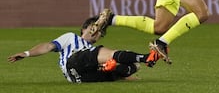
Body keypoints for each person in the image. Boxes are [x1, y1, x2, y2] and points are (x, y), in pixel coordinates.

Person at [8, 9, 162, 83]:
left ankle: (111, 66)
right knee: (112, 55)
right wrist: (27, 53)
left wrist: (134, 79)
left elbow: (126, 77)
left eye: (100, 32)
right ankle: (147, 57)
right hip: (74, 62)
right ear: (84, 29)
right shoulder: (70, 37)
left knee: (131, 66)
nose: (97, 33)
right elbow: (48, 47)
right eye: (94, 28)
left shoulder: (94, 49)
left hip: (81, 78)